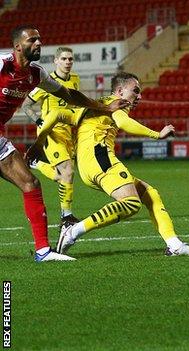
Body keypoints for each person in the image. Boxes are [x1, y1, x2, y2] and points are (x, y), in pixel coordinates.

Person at [28, 72, 189, 256]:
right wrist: (157, 134)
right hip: (100, 157)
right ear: (120, 91)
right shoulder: (116, 105)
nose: (139, 96)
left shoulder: (94, 104)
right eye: (135, 91)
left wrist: (39, 143)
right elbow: (124, 122)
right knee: (131, 203)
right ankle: (72, 231)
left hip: (88, 164)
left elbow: (57, 114)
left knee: (149, 194)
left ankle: (174, 244)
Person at [0, 25, 128, 262]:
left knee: (30, 183)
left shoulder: (36, 74)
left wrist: (104, 106)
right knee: (30, 183)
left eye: (40, 39)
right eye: (32, 41)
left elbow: (69, 95)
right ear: (18, 46)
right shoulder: (2, 64)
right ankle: (43, 251)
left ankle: (43, 251)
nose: (38, 43)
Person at [22, 46, 80, 226]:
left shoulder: (75, 80)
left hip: (67, 133)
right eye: (64, 59)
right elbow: (26, 105)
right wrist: (39, 121)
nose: (68, 62)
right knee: (68, 172)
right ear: (55, 61)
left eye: (70, 59)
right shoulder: (47, 82)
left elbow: (75, 104)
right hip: (51, 132)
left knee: (63, 176)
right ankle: (66, 216)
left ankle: (35, 163)